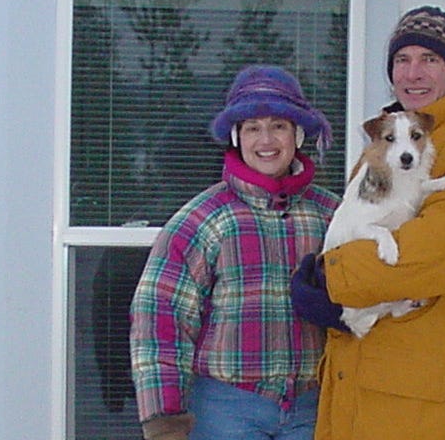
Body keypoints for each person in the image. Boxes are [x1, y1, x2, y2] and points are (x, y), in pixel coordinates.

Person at [290, 5, 445, 439]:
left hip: (434, 406)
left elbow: (432, 255)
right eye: (403, 60)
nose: (413, 73)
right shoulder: (392, 139)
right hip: (374, 392)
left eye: (430, 60)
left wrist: (331, 281)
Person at [131, 65, 341, 440]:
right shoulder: (204, 219)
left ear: (298, 134)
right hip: (225, 410)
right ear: (236, 136)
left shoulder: (332, 216)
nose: (266, 139)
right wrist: (164, 420)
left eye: (278, 125)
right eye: (252, 127)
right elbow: (159, 316)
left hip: (313, 407)